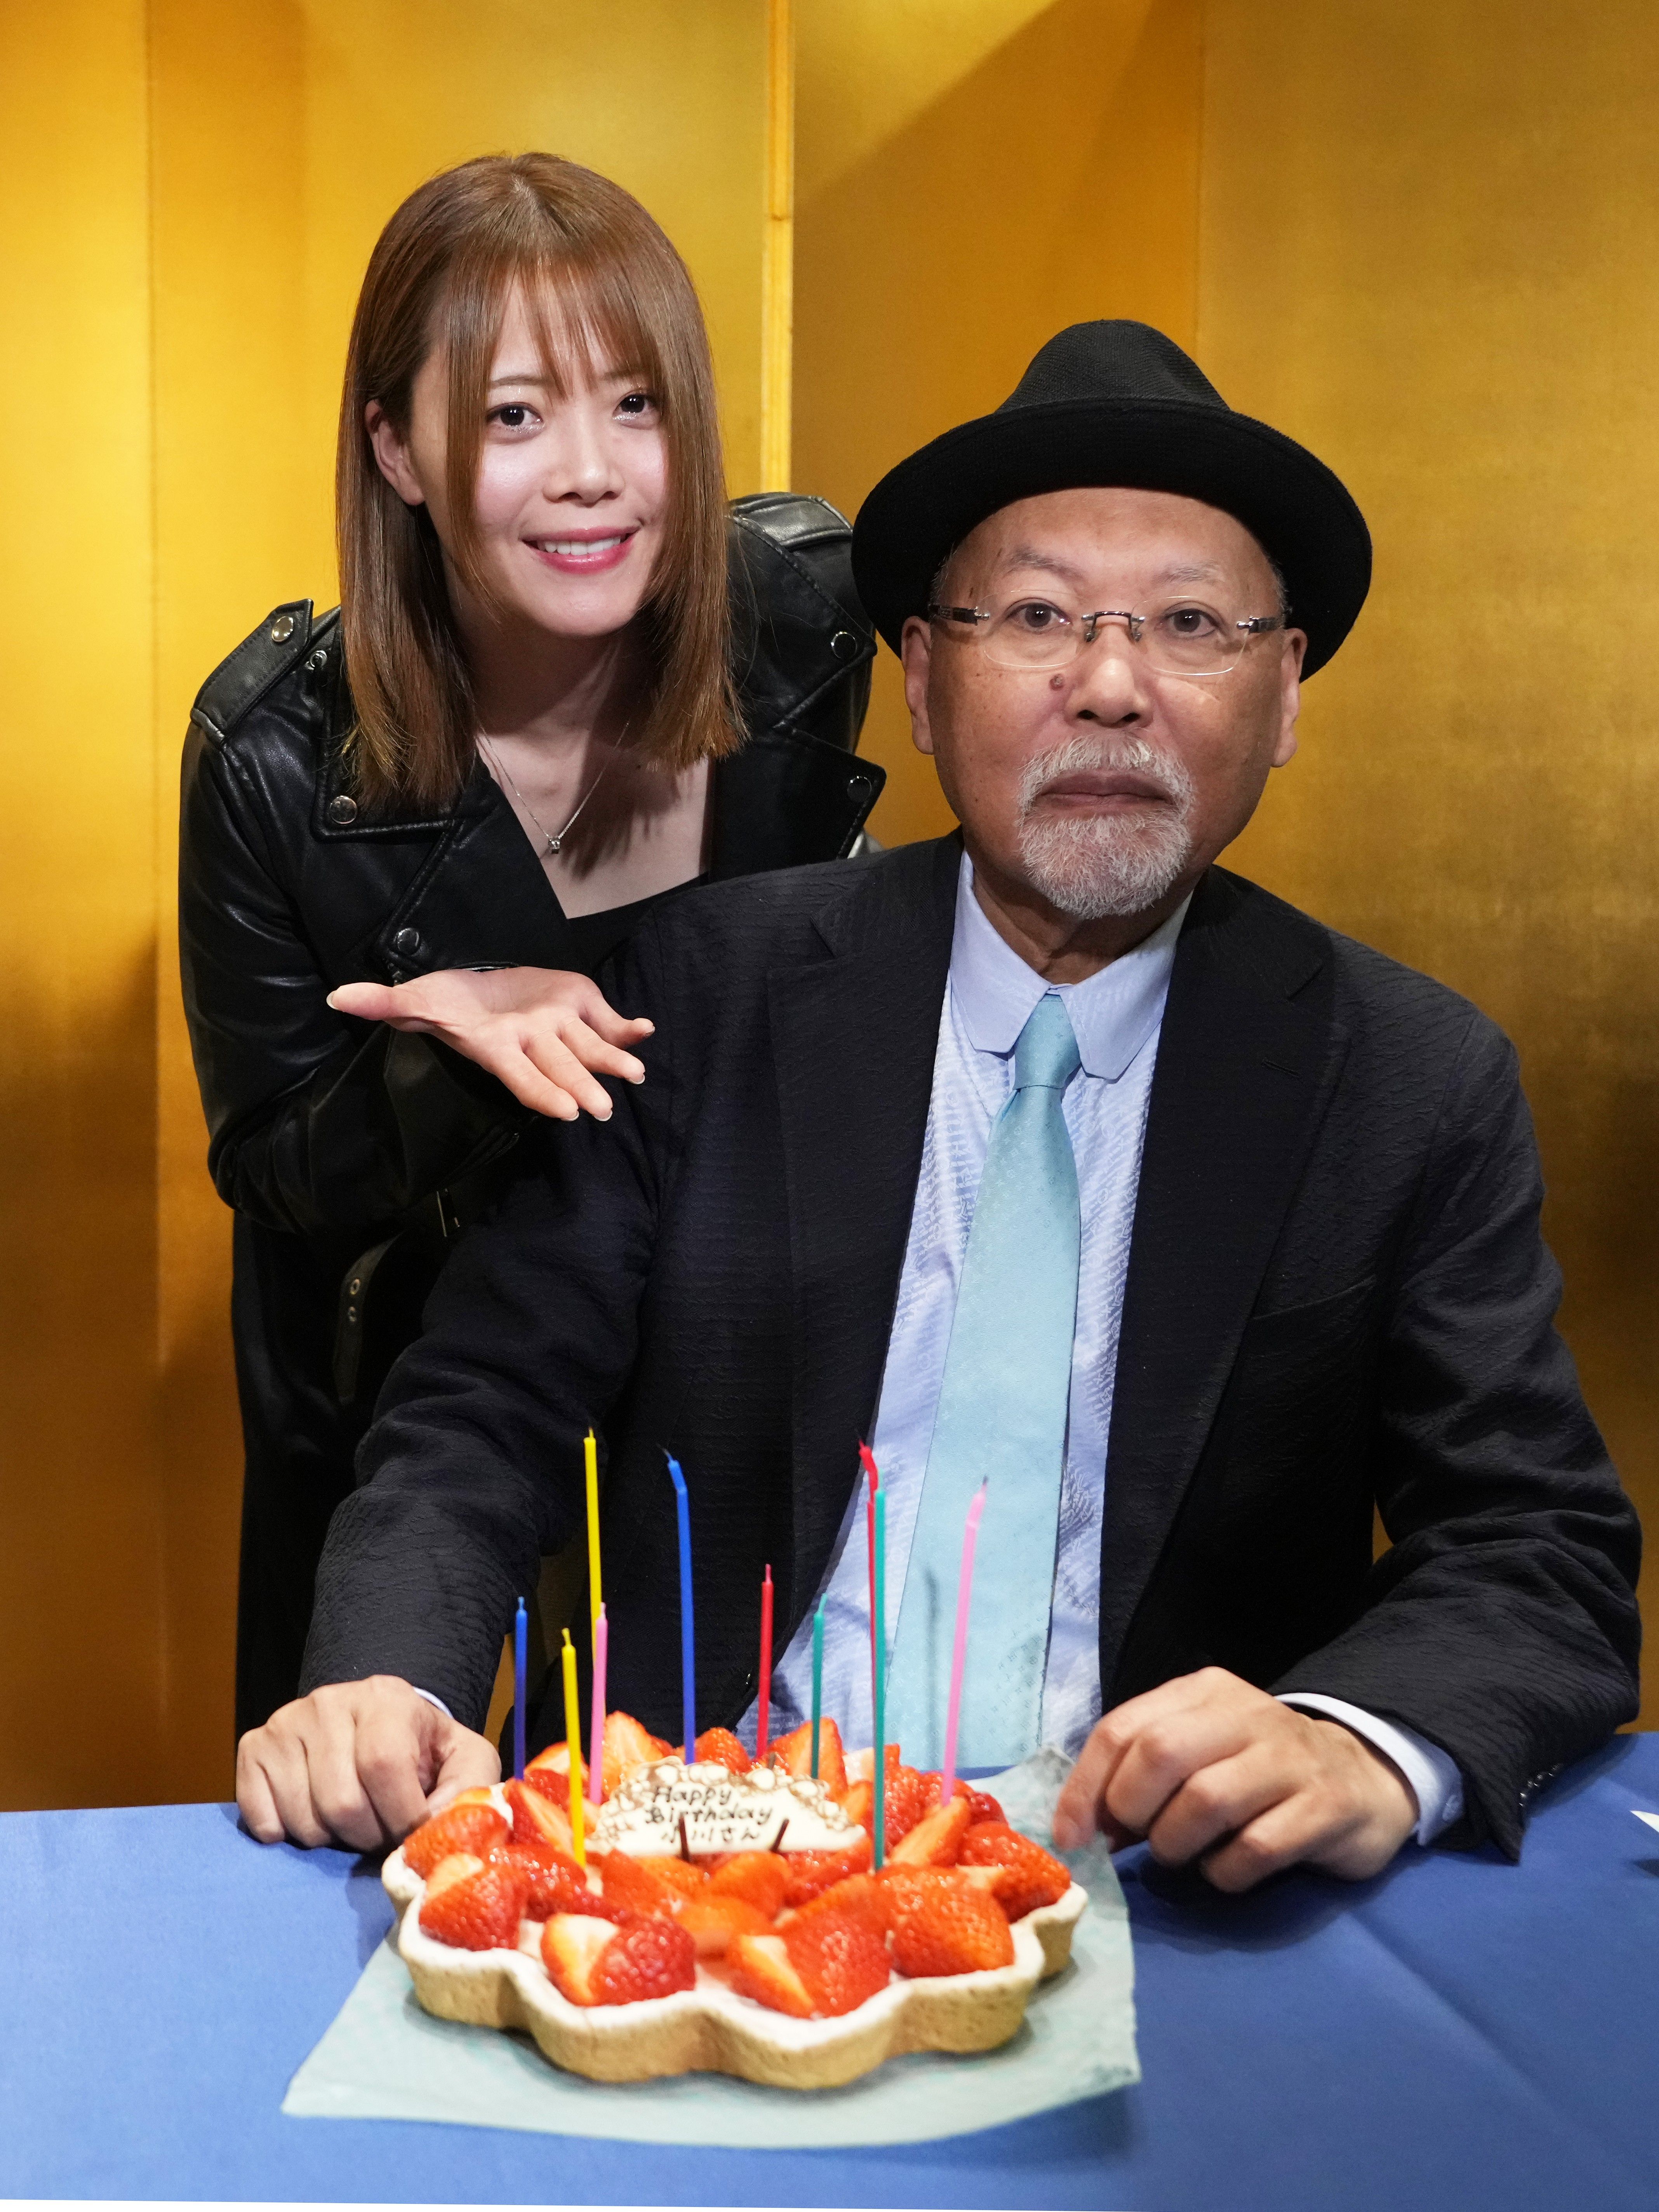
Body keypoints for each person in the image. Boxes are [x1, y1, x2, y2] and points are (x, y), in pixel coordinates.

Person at [236, 321, 1641, 1890]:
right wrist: (390, 1681)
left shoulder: (1408, 1079)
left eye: (1192, 623)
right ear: (919, 679)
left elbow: (1537, 1543)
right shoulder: (700, 992)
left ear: (1288, 692)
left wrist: (1354, 1738)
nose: (1110, 685)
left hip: (1153, 1890)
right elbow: (478, 1414)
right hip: (702, 1861)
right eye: (1035, 616)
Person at [179, 153, 883, 1743]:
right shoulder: (276, 758)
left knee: (719, 1813)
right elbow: (273, 1166)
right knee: (375, 1817)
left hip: (712, 1371)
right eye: (515, 416)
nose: (593, 476)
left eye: (637, 406)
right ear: (397, 449)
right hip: (410, 1400)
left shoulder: (800, 631)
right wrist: (441, 1058)